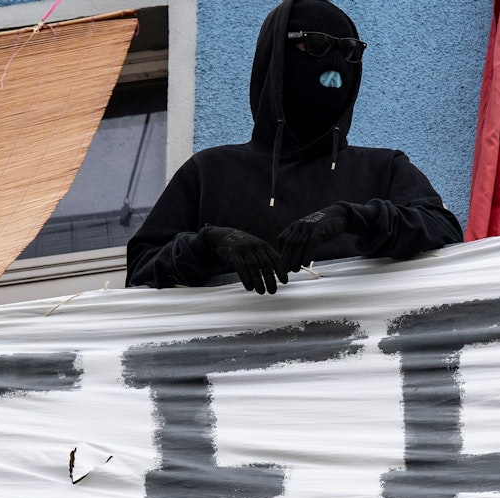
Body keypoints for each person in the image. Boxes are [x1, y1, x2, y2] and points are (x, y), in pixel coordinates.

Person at [125, 0, 463, 294]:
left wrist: (352, 217)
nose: (334, 63)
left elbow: (445, 234)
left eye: (348, 50)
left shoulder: (384, 169)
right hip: (236, 363)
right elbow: (141, 272)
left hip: (364, 360)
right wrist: (211, 244)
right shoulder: (209, 173)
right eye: (315, 44)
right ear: (276, 58)